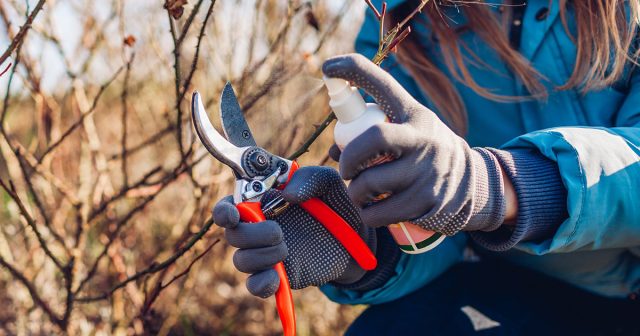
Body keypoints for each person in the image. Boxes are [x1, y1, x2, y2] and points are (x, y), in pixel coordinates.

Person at [212, 0, 640, 334]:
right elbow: (438, 228)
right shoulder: (400, 26)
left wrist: (498, 185)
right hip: (538, 292)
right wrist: (369, 250)